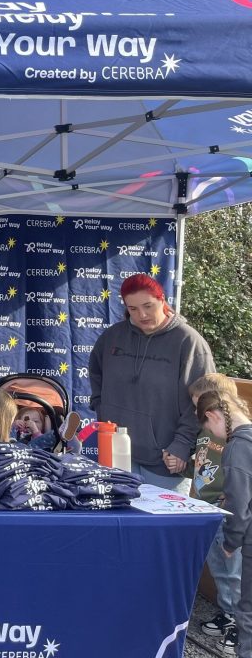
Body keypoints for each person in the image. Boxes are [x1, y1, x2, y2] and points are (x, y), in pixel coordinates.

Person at [89, 273, 215, 491]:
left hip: (166, 461)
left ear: (163, 300)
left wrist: (182, 445)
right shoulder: (112, 337)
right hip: (115, 455)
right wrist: (103, 410)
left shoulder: (188, 342)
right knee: (119, 523)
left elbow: (206, 400)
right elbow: (96, 374)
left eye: (148, 306)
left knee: (164, 525)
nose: (142, 315)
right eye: (133, 309)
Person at [190, 374, 243, 653]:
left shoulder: (233, 436)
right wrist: (182, 466)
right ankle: (227, 613)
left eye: (199, 404)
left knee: (234, 573)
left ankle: (240, 624)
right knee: (220, 571)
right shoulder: (206, 432)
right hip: (207, 510)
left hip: (228, 515)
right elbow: (201, 466)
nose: (196, 411)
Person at [197, 389, 252, 657]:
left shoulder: (237, 447)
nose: (213, 435)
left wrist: (231, 541)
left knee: (248, 614)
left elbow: (239, 507)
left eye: (209, 428)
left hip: (247, 540)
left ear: (212, 416)